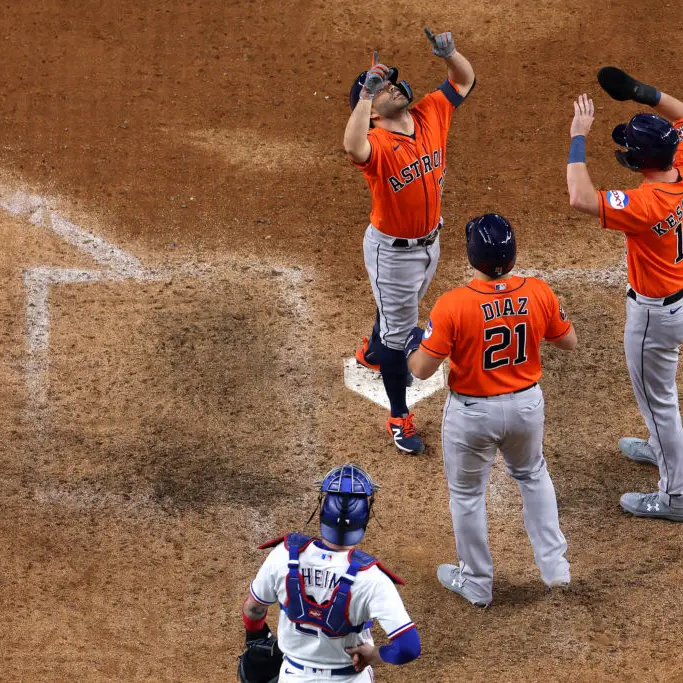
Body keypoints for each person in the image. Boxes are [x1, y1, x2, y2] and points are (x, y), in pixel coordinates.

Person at [405, 213, 575, 608]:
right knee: (533, 475)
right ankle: (555, 569)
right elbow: (569, 342)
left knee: (466, 495)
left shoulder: (453, 305)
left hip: (472, 415)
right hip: (526, 407)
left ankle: (477, 583)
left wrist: (415, 345)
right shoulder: (539, 292)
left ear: (471, 256)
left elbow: (422, 369)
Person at [565, 67, 683, 522]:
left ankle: (676, 497)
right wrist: (637, 93)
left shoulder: (646, 204)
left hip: (657, 318)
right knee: (658, 399)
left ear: (641, 161)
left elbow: (580, 198)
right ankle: (657, 447)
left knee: (659, 402)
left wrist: (578, 136)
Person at [344, 28, 476, 455]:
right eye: (383, 87)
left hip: (430, 243)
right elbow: (352, 144)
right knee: (401, 335)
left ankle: (371, 350)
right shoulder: (377, 143)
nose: (393, 86)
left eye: (393, 81)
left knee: (399, 314)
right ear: (372, 110)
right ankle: (398, 416)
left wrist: (451, 53)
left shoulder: (430, 113)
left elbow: (463, 81)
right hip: (393, 254)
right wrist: (365, 94)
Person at [238, 464, 420, 682]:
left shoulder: (283, 556)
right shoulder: (373, 579)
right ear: (366, 519)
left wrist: (256, 637)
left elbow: (254, 609)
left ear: (322, 512)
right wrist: (374, 655)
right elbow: (408, 647)